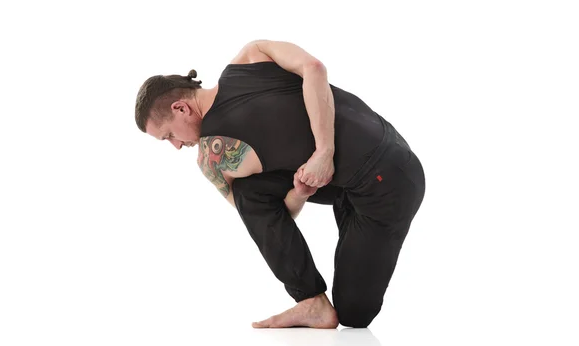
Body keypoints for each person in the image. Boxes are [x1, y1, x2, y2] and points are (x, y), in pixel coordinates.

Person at [134, 40, 426, 329]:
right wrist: (299, 194)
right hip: (347, 182)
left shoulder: (214, 156)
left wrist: (324, 151)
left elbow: (314, 68)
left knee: (354, 314)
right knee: (248, 192)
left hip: (388, 181)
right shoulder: (249, 54)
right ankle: (311, 300)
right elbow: (271, 219)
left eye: (168, 135)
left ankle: (354, 231)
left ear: (180, 108)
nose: (175, 146)